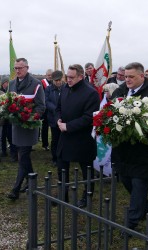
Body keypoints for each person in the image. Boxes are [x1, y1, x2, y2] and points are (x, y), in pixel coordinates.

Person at [111, 62, 148, 231]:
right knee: (126, 180)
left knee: (139, 184)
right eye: (126, 76)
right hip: (123, 149)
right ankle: (146, 207)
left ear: (142, 76)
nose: (127, 80)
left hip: (144, 151)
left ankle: (131, 223)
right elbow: (110, 109)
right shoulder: (121, 91)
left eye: (131, 77)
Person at [56, 64, 100, 207]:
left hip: (82, 137)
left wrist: (68, 126)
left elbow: (89, 118)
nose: (68, 80)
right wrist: (58, 119)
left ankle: (87, 196)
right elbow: (58, 108)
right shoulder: (64, 88)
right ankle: (64, 194)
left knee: (86, 168)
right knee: (62, 165)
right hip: (65, 135)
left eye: (71, 77)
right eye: (67, 77)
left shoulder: (91, 93)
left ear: (81, 77)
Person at [7, 58, 45, 200]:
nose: (17, 70)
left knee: (23, 155)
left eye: (20, 68)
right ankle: (31, 180)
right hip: (17, 126)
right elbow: (8, 102)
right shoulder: (11, 84)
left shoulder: (36, 84)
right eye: (15, 68)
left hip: (29, 126)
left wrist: (30, 117)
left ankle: (15, 189)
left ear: (27, 68)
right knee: (23, 156)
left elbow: (41, 107)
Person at [45, 70, 64, 166]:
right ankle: (55, 158)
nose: (58, 82)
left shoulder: (66, 88)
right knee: (55, 139)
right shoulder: (49, 89)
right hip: (53, 119)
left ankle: (64, 157)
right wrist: (56, 109)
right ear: (53, 80)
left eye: (59, 80)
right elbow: (47, 101)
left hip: (64, 119)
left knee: (64, 139)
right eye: (56, 80)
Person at [0, 77, 18, 161]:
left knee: (11, 136)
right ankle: (3, 151)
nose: (6, 84)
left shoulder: (12, 91)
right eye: (5, 83)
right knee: (3, 135)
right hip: (2, 119)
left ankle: (13, 153)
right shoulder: (0, 92)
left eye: (8, 82)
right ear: (2, 84)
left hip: (10, 117)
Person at [40, 69, 53, 151]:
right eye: (48, 75)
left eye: (51, 75)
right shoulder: (42, 83)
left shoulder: (55, 82)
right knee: (44, 127)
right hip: (45, 109)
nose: (50, 76)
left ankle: (53, 143)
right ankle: (45, 144)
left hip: (52, 109)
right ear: (46, 75)